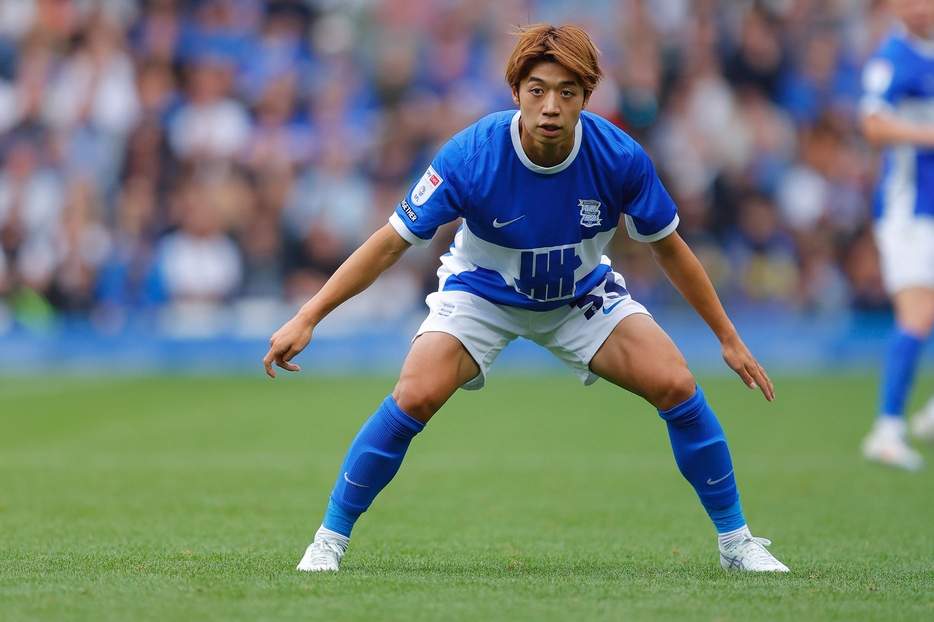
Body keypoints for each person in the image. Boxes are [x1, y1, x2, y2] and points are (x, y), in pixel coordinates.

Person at [264, 24, 789, 573]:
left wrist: (727, 338)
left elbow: (671, 250)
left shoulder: (619, 157)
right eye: (537, 89)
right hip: (482, 294)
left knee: (677, 384)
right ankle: (328, 540)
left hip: (579, 296)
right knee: (414, 395)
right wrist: (308, 316)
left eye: (568, 92)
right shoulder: (471, 154)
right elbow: (389, 244)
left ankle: (737, 543)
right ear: (516, 91)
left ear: (588, 96)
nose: (551, 106)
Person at [860, 0, 934, 471]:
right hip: (910, 211)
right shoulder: (893, 57)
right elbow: (872, 123)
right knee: (918, 313)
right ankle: (886, 429)